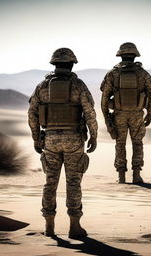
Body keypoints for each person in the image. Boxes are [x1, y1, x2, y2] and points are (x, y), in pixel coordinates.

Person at [28, 48, 98, 238]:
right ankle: (74, 227)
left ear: (54, 64)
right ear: (72, 64)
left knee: (50, 182)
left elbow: (32, 114)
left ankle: (49, 226)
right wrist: (94, 135)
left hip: (50, 140)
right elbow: (90, 112)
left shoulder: (42, 86)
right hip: (74, 139)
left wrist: (36, 138)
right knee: (73, 182)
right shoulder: (78, 85)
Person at [100, 42, 151, 184]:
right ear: (134, 55)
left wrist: (107, 118)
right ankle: (136, 176)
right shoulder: (143, 73)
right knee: (137, 143)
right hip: (137, 114)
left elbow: (104, 99)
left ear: (121, 55)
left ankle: (121, 177)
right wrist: (149, 113)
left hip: (119, 114)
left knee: (120, 143)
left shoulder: (113, 73)